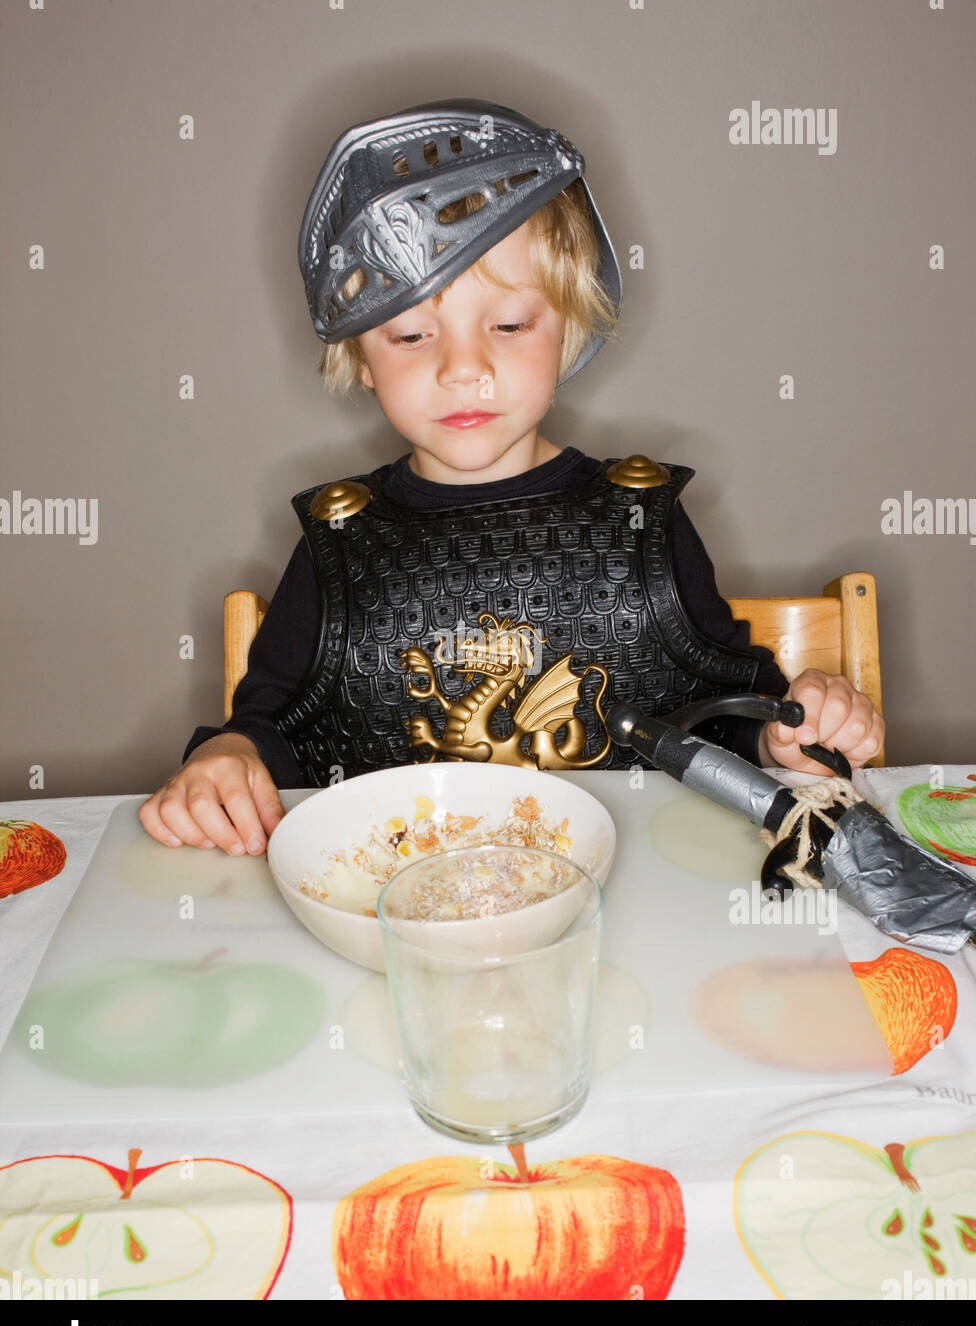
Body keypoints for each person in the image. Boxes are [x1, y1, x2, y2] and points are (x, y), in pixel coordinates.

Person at [139, 98, 884, 857]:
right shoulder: (339, 541)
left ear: (568, 326)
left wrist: (788, 731)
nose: (463, 367)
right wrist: (225, 758)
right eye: (410, 333)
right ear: (362, 357)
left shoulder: (641, 517)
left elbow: (726, 717)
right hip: (390, 927)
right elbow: (271, 729)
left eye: (508, 324)